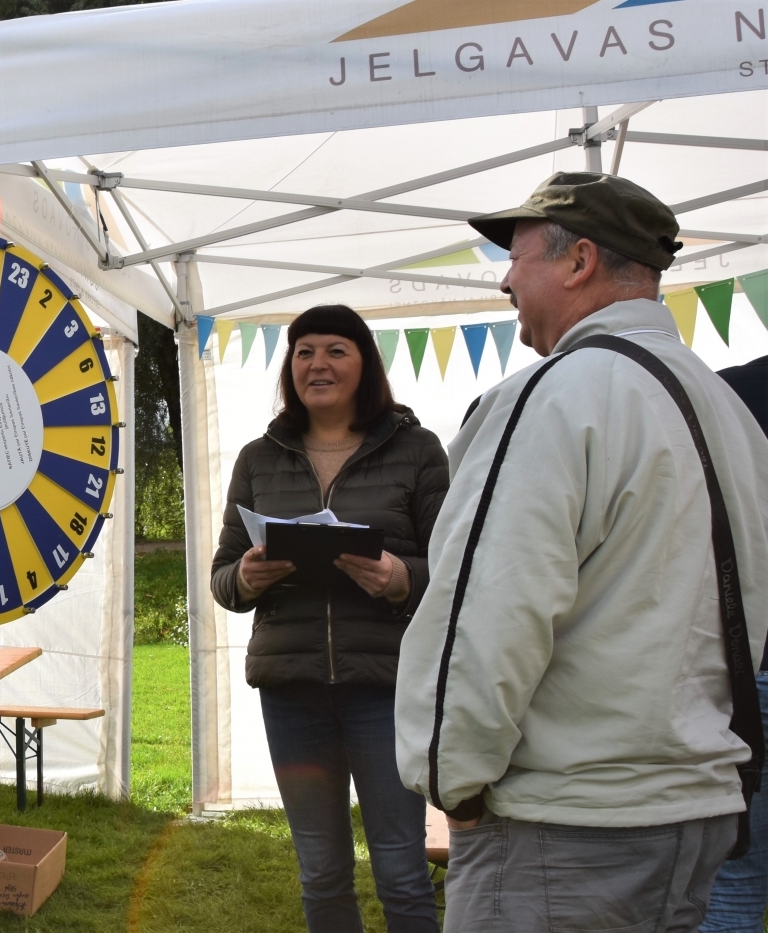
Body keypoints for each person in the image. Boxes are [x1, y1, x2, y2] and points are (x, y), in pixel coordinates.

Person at [393, 173, 768, 931]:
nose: (504, 279)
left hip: (566, 823)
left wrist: (451, 786)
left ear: (578, 261)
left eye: (517, 257)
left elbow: (490, 611)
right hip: (690, 805)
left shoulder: (555, 393)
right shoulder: (723, 405)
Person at [211, 304, 448, 932]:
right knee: (320, 870)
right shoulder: (258, 458)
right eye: (304, 351)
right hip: (292, 692)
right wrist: (245, 578)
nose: (318, 363)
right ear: (290, 369)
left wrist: (402, 579)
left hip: (387, 688)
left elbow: (456, 565)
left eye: (335, 350)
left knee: (400, 866)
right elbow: (222, 576)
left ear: (364, 362)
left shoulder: (417, 450)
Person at [701, 354, 768, 932]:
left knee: (736, 880)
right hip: (754, 670)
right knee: (734, 879)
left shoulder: (726, 394)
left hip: (752, 664)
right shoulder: (730, 392)